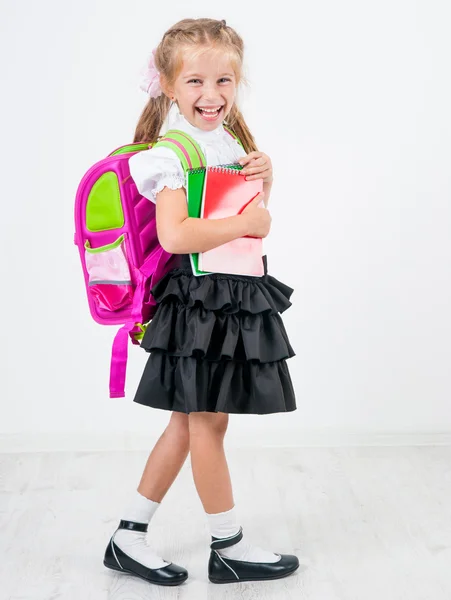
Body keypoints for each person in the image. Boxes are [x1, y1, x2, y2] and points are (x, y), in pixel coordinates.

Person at [103, 17, 299, 586]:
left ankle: (127, 536)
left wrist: (264, 179)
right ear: (168, 85)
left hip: (222, 299)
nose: (211, 94)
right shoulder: (173, 153)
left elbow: (238, 212)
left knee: (190, 423)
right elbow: (176, 236)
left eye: (223, 81)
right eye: (195, 81)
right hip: (198, 303)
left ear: (238, 82)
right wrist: (249, 222)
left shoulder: (227, 142)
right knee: (207, 424)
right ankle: (227, 546)